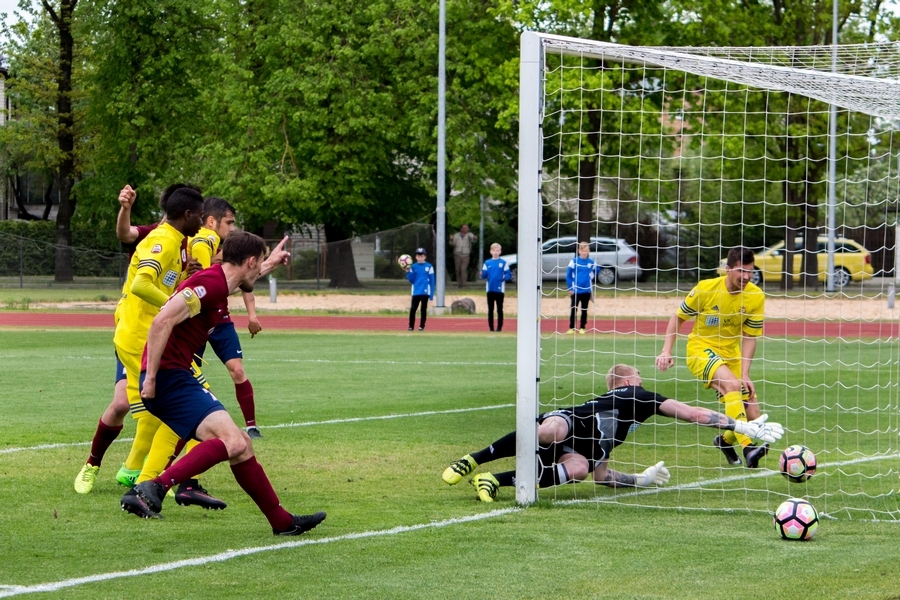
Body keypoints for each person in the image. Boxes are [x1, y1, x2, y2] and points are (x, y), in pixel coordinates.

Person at [121, 231, 327, 536]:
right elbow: (162, 321)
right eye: (258, 264)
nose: (258, 272)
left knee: (240, 445)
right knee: (234, 441)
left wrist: (270, 263)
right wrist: (150, 378)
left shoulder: (220, 282)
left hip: (176, 376)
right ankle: (154, 487)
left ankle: (282, 522)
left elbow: (245, 277)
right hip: (168, 378)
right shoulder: (211, 284)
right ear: (250, 261)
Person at [441, 364, 783, 502]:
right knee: (551, 430)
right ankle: (472, 460)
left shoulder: (616, 428)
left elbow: (602, 477)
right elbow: (692, 414)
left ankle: (493, 479)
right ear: (628, 381)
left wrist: (642, 480)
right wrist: (741, 425)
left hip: (585, 448)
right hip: (569, 421)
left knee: (580, 470)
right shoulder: (637, 395)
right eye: (639, 377)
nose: (643, 381)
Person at [74, 184, 200, 494]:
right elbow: (141, 283)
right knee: (182, 401)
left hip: (151, 333)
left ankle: (140, 474)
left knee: (161, 406)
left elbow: (163, 283)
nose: (203, 219)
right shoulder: (159, 238)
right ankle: (117, 470)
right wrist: (177, 306)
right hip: (137, 336)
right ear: (186, 213)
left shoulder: (181, 242)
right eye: (200, 213)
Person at [655, 246, 767, 468]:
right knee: (732, 386)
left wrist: (745, 374)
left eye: (750, 271)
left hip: (731, 356)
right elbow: (678, 317)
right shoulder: (706, 289)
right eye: (741, 271)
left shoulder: (756, 296)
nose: (746, 277)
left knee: (753, 414)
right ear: (728, 269)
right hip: (700, 350)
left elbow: (750, 337)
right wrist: (666, 351)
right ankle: (748, 447)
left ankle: (725, 441)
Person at [480, 243, 511, 332]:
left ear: (500, 251)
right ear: (491, 251)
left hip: (500, 290)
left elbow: (508, 274)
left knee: (499, 309)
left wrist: (504, 277)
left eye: (497, 250)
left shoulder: (503, 262)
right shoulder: (487, 263)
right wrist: (482, 274)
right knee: (490, 309)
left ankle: (499, 327)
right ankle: (491, 328)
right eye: (494, 250)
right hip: (490, 289)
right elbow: (484, 275)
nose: (495, 252)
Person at [566, 241, 595, 334]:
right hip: (575, 290)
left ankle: (582, 327)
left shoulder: (591, 262)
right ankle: (572, 328)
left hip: (586, 290)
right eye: (582, 251)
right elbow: (568, 275)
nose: (584, 252)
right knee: (573, 309)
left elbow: (597, 270)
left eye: (586, 251)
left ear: (589, 251)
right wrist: (570, 288)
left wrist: (591, 276)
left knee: (584, 310)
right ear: (579, 251)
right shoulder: (574, 261)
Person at [405, 247, 435, 331]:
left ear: (425, 257)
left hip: (425, 292)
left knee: (423, 310)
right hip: (416, 291)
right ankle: (411, 326)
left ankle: (421, 326)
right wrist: (408, 272)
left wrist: (431, 294)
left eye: (422, 256)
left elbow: (432, 281)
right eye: (418, 256)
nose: (420, 258)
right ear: (416, 257)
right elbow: (412, 280)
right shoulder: (413, 267)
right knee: (413, 309)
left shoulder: (429, 266)